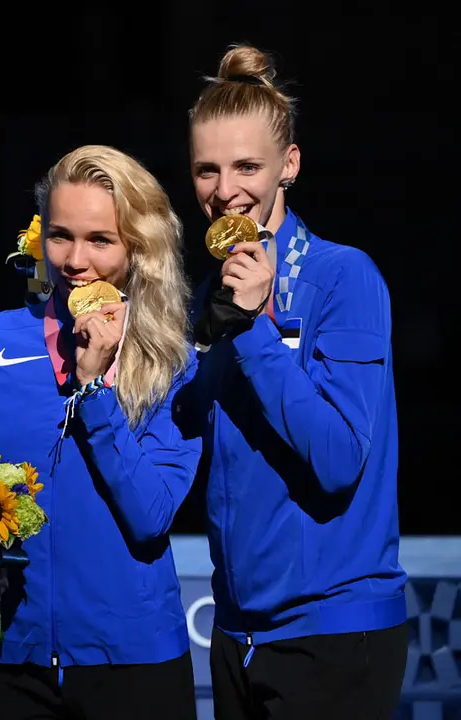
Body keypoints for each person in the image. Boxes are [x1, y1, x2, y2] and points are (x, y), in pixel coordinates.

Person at [185, 44, 408, 718]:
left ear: (290, 165)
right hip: (236, 630)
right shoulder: (208, 294)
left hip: (334, 632)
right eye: (207, 169)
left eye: (248, 166)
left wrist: (252, 328)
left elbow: (339, 461)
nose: (226, 191)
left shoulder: (345, 277)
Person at [0, 145, 201, 719]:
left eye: (100, 240)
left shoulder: (173, 359)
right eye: (60, 236)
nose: (74, 260)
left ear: (138, 248)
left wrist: (95, 391)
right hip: (11, 662)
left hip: (134, 664)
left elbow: (151, 515)